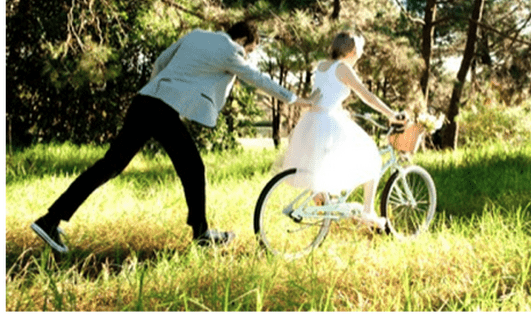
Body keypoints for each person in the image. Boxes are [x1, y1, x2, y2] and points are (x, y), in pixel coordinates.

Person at [31, 21, 310, 253]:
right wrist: (294, 99)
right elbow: (257, 78)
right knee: (193, 168)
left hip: (144, 100)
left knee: (109, 166)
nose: (246, 56)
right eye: (249, 50)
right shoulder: (231, 51)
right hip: (162, 110)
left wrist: (160, 89)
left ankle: (49, 219)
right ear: (245, 40)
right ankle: (201, 236)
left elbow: (161, 61)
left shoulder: (197, 34)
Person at [280, 31, 404, 229]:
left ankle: (324, 198)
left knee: (329, 165)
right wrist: (391, 114)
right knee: (373, 157)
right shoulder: (344, 68)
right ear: (353, 51)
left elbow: (321, 95)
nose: (361, 54)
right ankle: (368, 211)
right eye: (360, 50)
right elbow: (366, 96)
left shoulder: (321, 66)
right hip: (329, 121)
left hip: (313, 120)